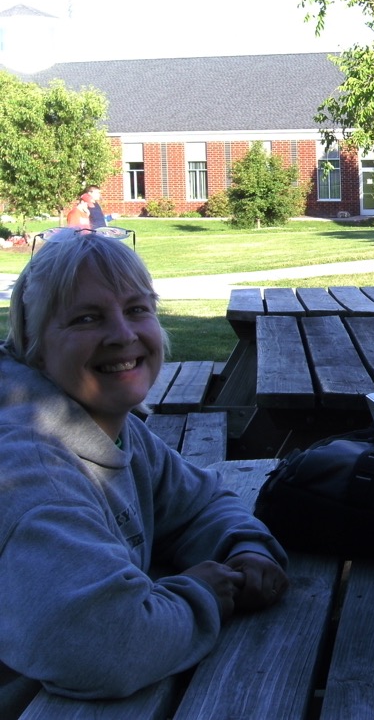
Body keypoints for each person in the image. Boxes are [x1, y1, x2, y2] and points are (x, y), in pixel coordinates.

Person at [0, 228, 289, 714]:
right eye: (86, 318)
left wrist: (244, 548)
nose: (122, 335)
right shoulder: (33, 471)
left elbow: (200, 503)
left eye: (137, 309)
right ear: (35, 345)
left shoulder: (105, 422)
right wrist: (203, 593)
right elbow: (105, 648)